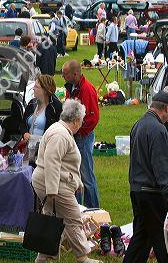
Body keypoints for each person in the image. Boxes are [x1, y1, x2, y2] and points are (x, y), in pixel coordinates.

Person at [32, 99, 102, 263]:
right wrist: (52, 191)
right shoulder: (60, 134)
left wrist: (76, 183)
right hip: (54, 186)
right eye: (82, 120)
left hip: (53, 183)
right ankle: (82, 257)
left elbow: (64, 165)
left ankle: (43, 257)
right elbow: (52, 162)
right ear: (76, 120)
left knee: (54, 221)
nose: (82, 123)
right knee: (73, 218)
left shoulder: (60, 131)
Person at [123, 91, 168, 263]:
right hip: (152, 192)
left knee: (142, 237)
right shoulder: (158, 129)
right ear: (167, 108)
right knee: (164, 237)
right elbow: (161, 163)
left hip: (138, 190)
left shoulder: (138, 124)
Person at [63, 60, 100, 208]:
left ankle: (94, 209)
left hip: (83, 137)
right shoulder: (72, 87)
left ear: (75, 73)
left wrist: (79, 132)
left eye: (66, 74)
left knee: (87, 176)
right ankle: (78, 208)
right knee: (75, 175)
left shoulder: (87, 89)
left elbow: (93, 117)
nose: (63, 76)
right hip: (75, 135)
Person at [21, 74, 62, 165]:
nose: (33, 89)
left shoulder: (56, 107)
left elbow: (60, 131)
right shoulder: (32, 103)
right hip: (29, 150)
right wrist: (24, 133)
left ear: (45, 90)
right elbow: (22, 123)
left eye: (36, 86)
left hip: (47, 152)